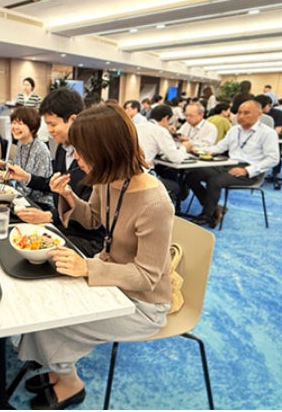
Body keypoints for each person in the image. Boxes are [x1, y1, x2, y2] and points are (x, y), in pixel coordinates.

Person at [17, 103, 173, 410]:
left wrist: (87, 267)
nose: (76, 158)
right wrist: (67, 195)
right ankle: (57, 369)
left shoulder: (155, 204)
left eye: (82, 152)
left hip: (143, 304)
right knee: (45, 296)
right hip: (110, 275)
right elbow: (92, 219)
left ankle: (69, 382)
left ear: (107, 152)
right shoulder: (109, 180)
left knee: (53, 320)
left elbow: (147, 277)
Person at [6, 88, 105, 257]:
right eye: (47, 124)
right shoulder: (62, 148)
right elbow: (54, 184)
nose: (50, 130)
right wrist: (26, 177)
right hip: (61, 226)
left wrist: (49, 216)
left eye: (53, 124)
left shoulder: (92, 158)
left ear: (73, 120)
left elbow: (91, 218)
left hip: (84, 238)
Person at [183, 100, 279, 228]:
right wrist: (198, 150)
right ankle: (215, 208)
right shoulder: (234, 130)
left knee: (215, 181)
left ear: (259, 114)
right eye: (239, 112)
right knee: (191, 175)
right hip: (228, 164)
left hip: (250, 170)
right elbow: (219, 147)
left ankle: (207, 215)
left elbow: (273, 159)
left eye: (246, 113)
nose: (241, 116)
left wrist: (248, 170)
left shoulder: (267, 133)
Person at [0, 106, 53, 209]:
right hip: (22, 197)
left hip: (39, 203)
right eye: (13, 123)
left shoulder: (41, 150)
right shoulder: (21, 143)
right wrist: (4, 164)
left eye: (20, 123)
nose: (15, 127)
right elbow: (20, 166)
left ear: (32, 127)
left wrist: (12, 194)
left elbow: (40, 185)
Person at [136, 104, 187, 200]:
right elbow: (177, 158)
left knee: (165, 171)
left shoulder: (138, 126)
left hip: (131, 172)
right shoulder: (160, 131)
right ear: (165, 118)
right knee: (175, 187)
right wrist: (184, 147)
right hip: (143, 174)